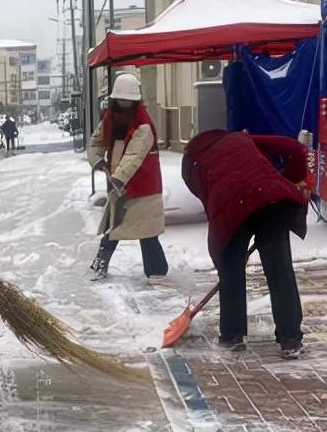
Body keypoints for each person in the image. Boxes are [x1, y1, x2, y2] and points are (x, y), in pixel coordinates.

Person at [181, 129, 309, 358]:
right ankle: (291, 339)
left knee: (231, 272)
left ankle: (232, 337)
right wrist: (296, 179)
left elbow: (213, 204)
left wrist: (227, 256)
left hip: (236, 203)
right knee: (280, 270)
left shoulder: (195, 162)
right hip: (271, 198)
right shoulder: (241, 139)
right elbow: (294, 148)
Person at [87, 73, 168, 282]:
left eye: (127, 101)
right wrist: (97, 159)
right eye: (119, 100)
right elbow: (96, 142)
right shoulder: (109, 120)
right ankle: (99, 266)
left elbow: (134, 155)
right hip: (119, 185)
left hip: (143, 187)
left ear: (134, 102)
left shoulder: (143, 125)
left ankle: (157, 271)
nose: (123, 105)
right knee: (114, 228)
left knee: (146, 231)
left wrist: (118, 178)